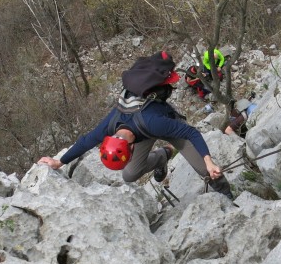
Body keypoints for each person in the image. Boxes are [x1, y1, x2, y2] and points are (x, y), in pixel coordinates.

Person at [38, 51, 233, 199]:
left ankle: (227, 196)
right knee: (130, 174)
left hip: (162, 122)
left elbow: (191, 132)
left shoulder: (155, 123)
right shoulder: (110, 126)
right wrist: (60, 162)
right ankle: (162, 157)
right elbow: (86, 141)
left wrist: (208, 162)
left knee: (206, 171)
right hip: (141, 129)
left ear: (129, 148)